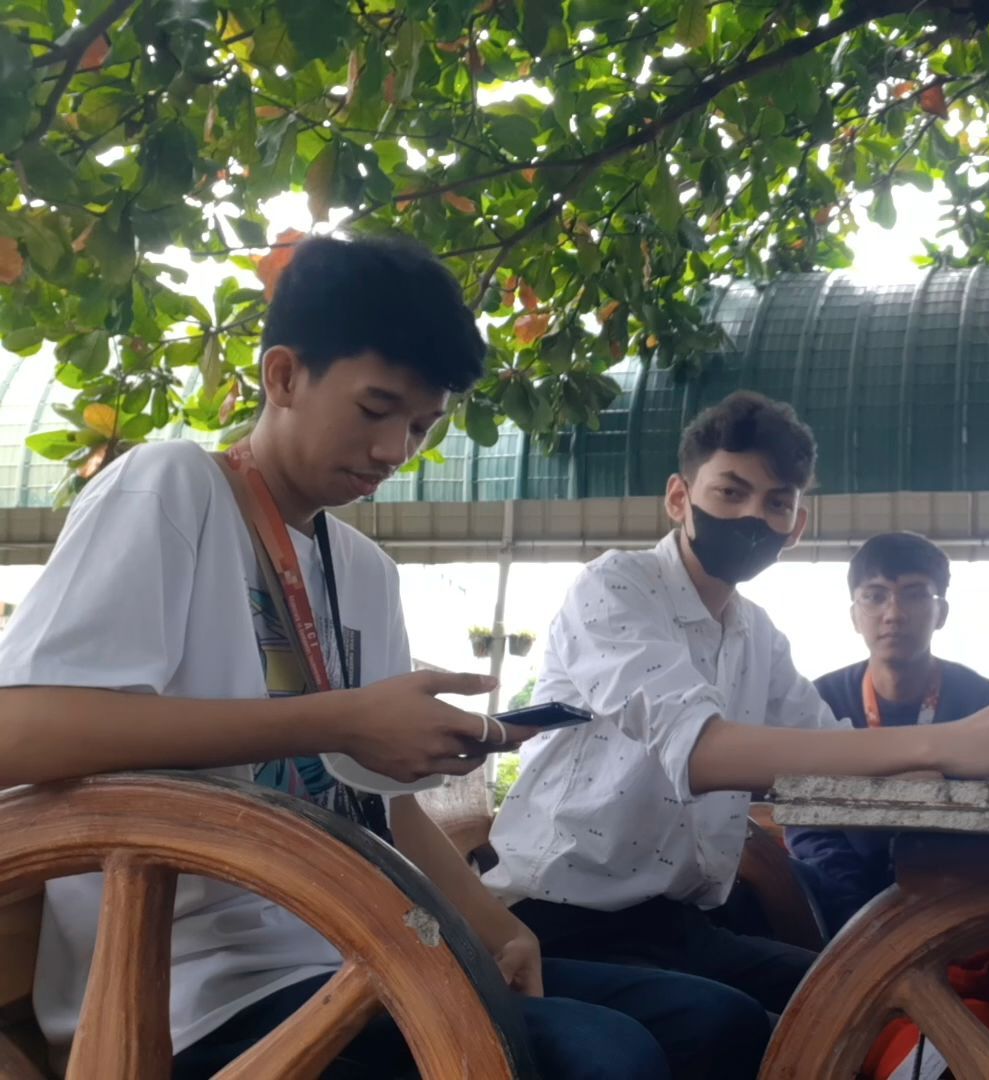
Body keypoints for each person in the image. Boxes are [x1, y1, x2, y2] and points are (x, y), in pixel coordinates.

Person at [0, 235, 769, 1080]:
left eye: (421, 426)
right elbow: (19, 730)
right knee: (606, 1057)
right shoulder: (173, 488)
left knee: (717, 1023)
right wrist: (342, 720)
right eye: (376, 409)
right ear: (283, 376)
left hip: (361, 950)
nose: (395, 450)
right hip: (190, 996)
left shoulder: (364, 571)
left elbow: (386, 812)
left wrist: (495, 924)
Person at [487, 391, 989, 1013]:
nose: (752, 518)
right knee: (730, 1023)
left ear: (796, 527)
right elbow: (701, 753)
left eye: (776, 503)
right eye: (730, 493)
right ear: (679, 498)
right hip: (559, 919)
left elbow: (837, 765)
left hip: (677, 925)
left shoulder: (757, 633)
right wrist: (947, 742)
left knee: (869, 999)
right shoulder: (614, 587)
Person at [786, 532, 989, 934]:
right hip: (842, 892)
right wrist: (850, 906)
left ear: (941, 612)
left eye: (914, 595)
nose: (894, 613)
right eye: (874, 596)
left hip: (959, 894)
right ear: (854, 615)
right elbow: (806, 823)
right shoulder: (818, 702)